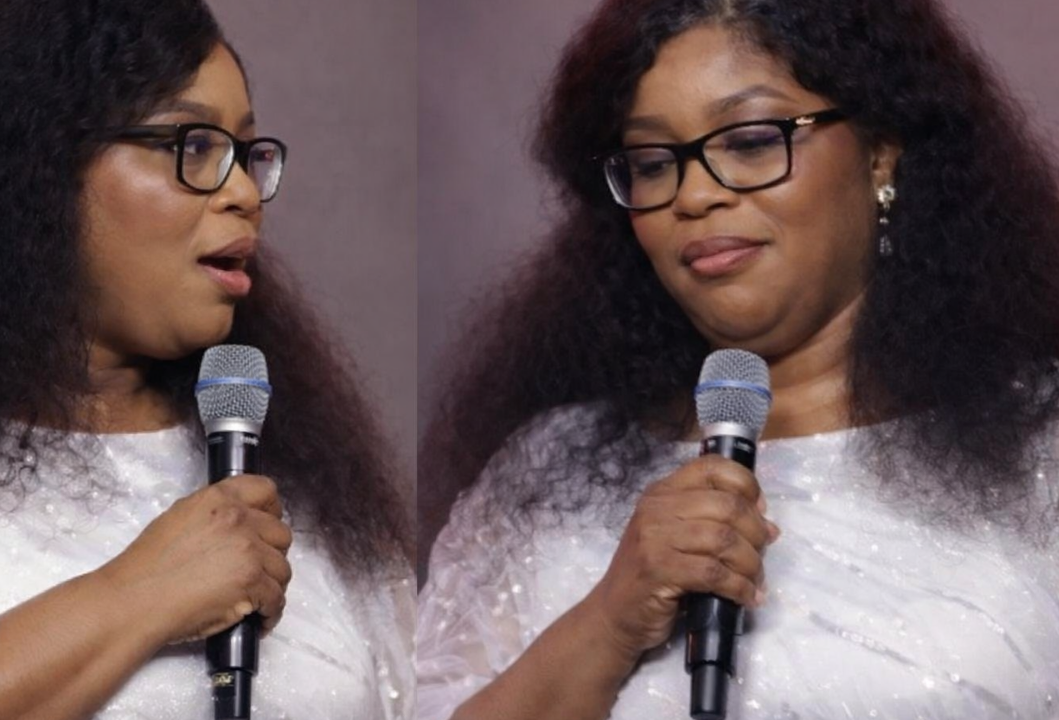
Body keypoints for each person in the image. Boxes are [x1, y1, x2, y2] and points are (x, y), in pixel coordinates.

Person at [416, 0, 1059, 718]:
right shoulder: (549, 473)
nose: (694, 195)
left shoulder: (1041, 453)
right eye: (653, 163)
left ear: (880, 152)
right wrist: (610, 621)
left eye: (751, 142)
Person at [0, 1, 413, 718]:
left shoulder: (290, 449)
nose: (243, 193)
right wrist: (143, 593)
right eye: (194, 146)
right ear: (37, 166)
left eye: (245, 154)